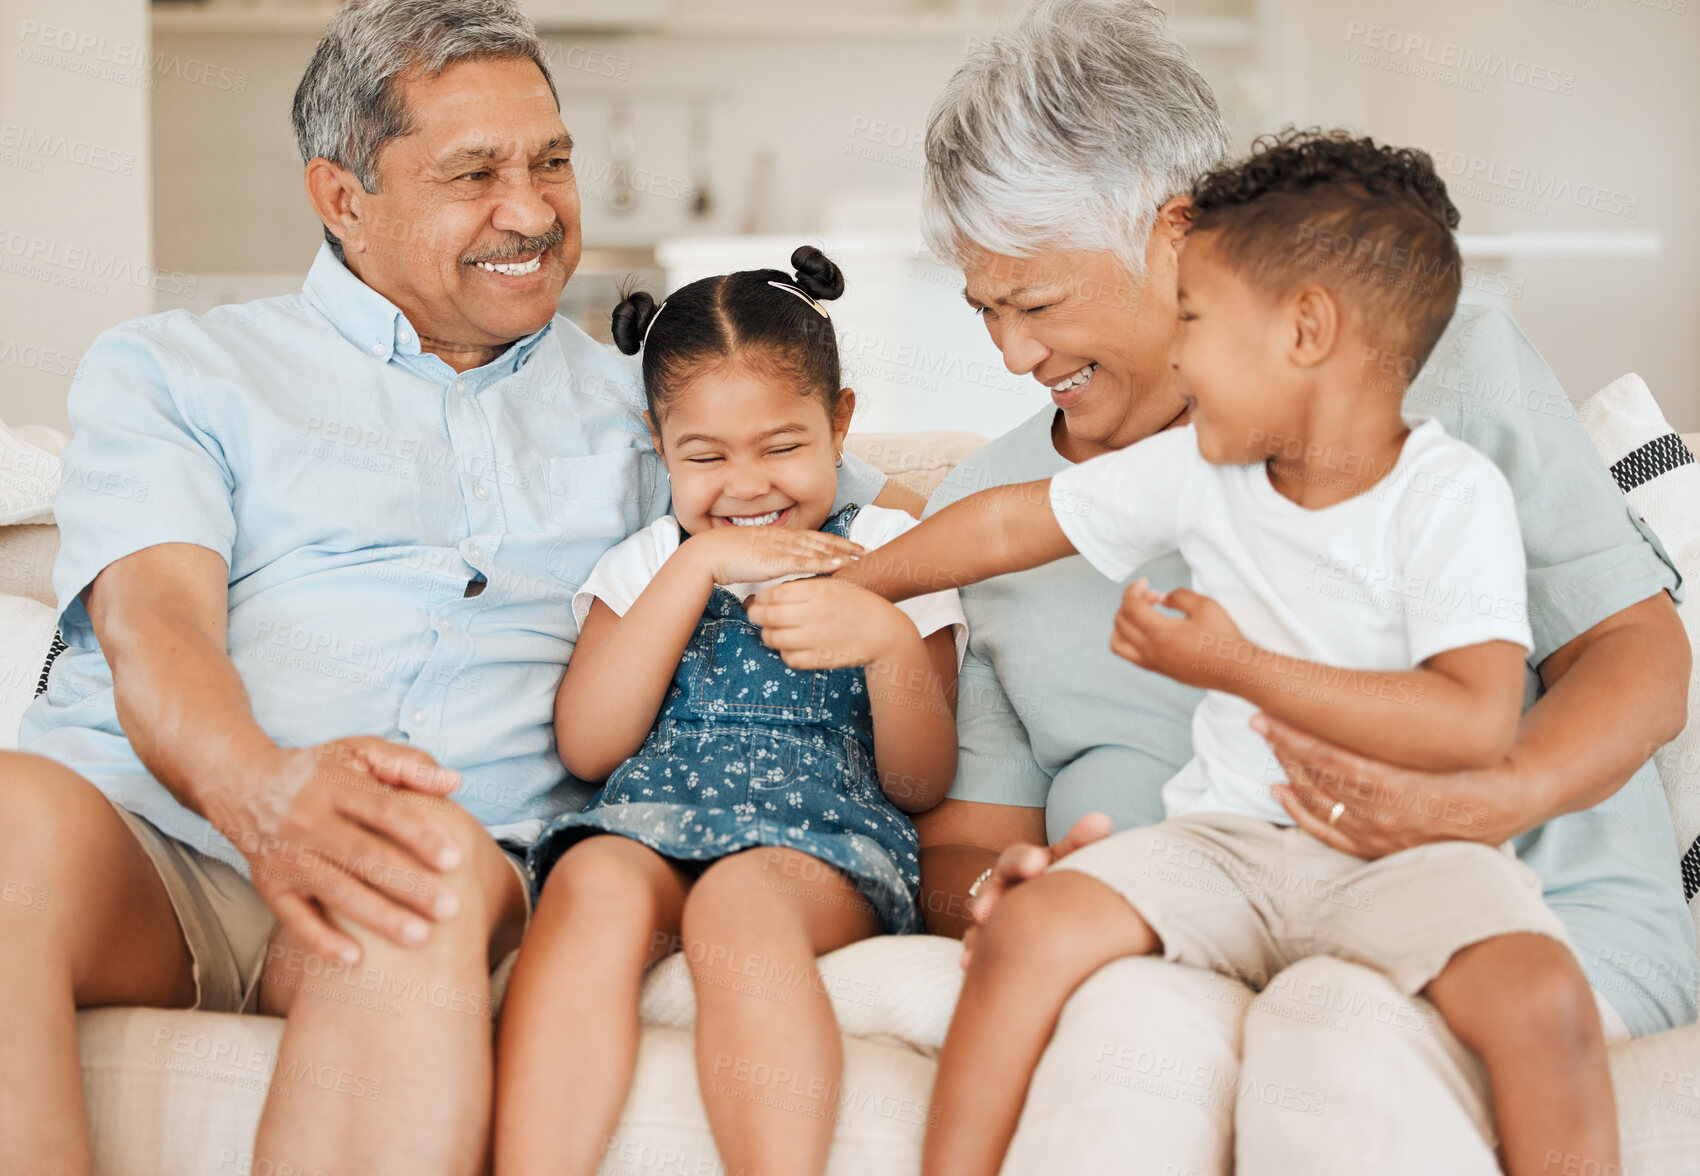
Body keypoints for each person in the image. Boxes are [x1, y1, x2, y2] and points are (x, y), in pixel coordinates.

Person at [0, 4, 912, 1174]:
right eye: (473, 174)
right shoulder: (182, 368)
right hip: (158, 842)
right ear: (342, 199)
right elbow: (154, 623)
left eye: (551, 162)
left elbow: (881, 528)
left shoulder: (662, 413)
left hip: (440, 863)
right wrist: (261, 793)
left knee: (416, 863)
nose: (530, 212)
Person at [892, 2, 1694, 1172]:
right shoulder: (991, 504)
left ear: (1174, 240)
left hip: (1510, 908)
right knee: (1116, 1048)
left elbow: (1633, 655)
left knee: (1332, 1035)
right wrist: (1003, 897)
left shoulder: (1430, 367)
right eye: (982, 311)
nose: (1011, 357)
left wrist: (1490, 800)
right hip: (1200, 923)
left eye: (1037, 305)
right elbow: (971, 839)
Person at [493, 247, 964, 1176]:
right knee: (591, 888)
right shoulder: (650, 561)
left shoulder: (889, 548)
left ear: (840, 424)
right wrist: (695, 569)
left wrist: (887, 642)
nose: (746, 489)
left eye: (783, 447)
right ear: (658, 444)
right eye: (704, 457)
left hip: (818, 838)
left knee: (740, 910)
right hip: (649, 823)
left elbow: (920, 780)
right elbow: (589, 747)